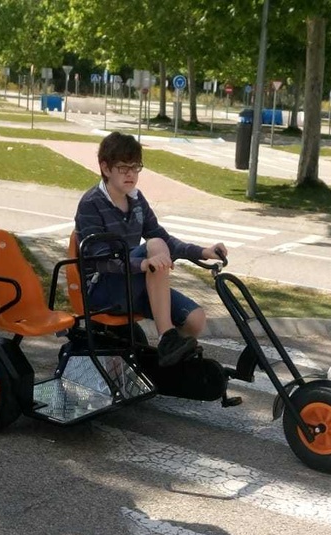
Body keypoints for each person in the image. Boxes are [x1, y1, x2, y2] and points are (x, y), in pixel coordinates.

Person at [74, 131, 228, 367]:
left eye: (135, 168)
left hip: (132, 283)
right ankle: (167, 337)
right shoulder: (91, 203)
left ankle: (167, 365)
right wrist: (143, 264)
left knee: (195, 319)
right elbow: (99, 260)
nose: (131, 174)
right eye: (123, 167)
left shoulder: (136, 200)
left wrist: (203, 252)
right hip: (103, 289)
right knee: (154, 245)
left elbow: (163, 238)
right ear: (106, 169)